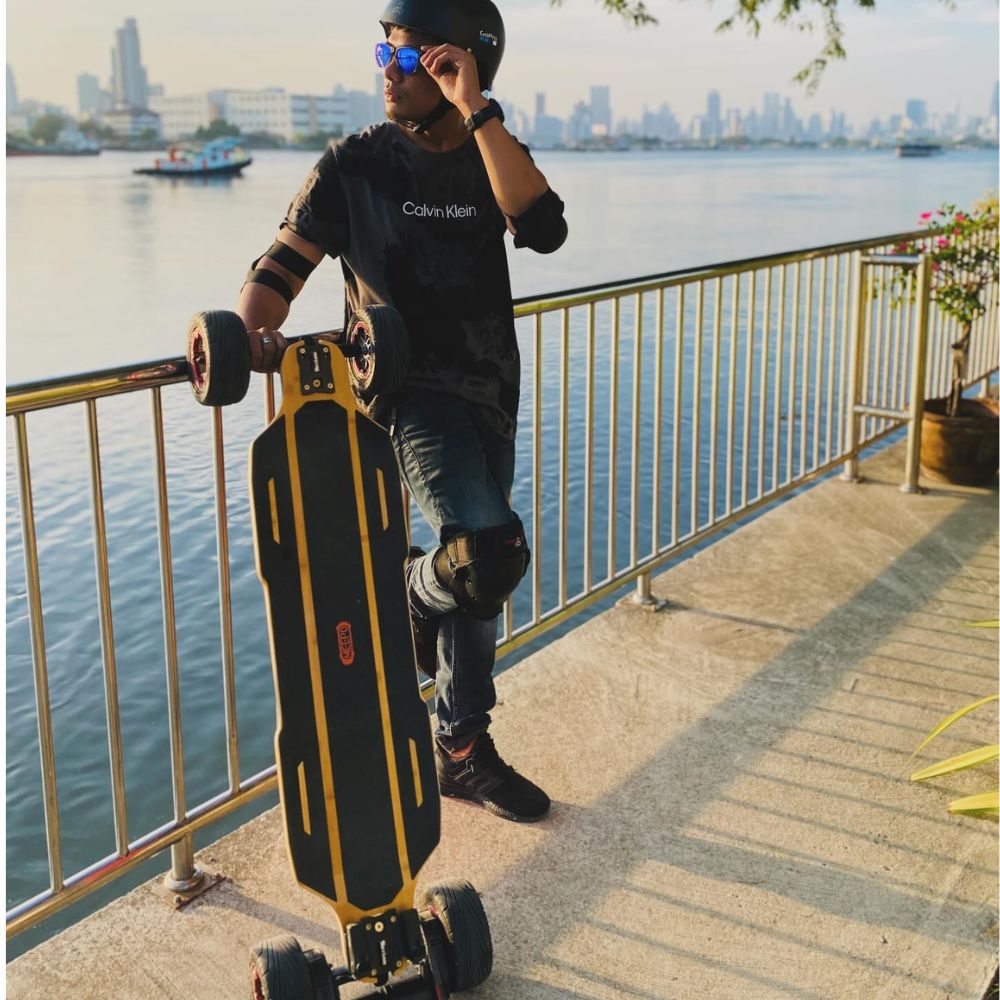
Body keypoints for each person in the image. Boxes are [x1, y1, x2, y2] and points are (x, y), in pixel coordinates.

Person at [236, 0, 568, 823]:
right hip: (404, 397)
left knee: (477, 571)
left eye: (416, 57)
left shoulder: (491, 150)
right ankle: (414, 598)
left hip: (492, 389)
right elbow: (279, 269)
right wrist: (247, 332)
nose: (391, 69)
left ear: (465, 63)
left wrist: (478, 110)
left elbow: (546, 229)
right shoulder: (354, 164)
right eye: (386, 52)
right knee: (486, 554)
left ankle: (458, 745)